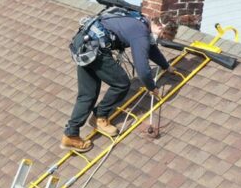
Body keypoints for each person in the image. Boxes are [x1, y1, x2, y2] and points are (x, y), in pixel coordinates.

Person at [63, 11, 171, 152]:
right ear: (160, 27)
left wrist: (165, 65)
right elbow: (142, 69)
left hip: (82, 43)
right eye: (163, 35)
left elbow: (150, 48)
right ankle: (99, 116)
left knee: (87, 94)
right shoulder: (141, 33)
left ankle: (70, 135)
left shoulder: (139, 19)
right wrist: (152, 87)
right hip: (95, 49)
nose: (160, 39)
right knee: (122, 83)